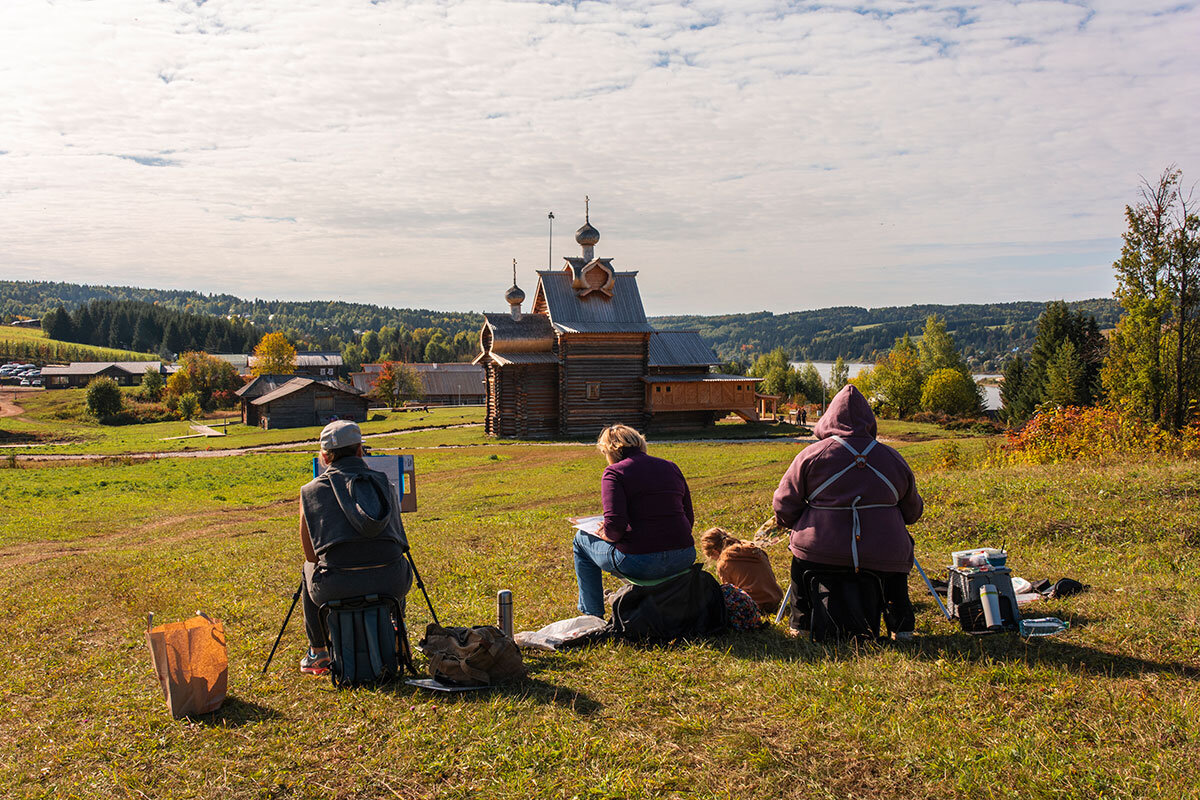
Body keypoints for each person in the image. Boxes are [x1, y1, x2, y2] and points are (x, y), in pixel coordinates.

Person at [772, 384, 923, 638]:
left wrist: (796, 524)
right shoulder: (892, 457)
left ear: (829, 417)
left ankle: (801, 624)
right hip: (883, 550)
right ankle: (901, 627)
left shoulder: (811, 455)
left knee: (800, 557)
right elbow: (912, 512)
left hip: (820, 549)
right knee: (895, 561)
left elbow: (784, 504)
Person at [297, 420, 412, 675]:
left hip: (336, 585)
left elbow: (310, 554)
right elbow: (398, 540)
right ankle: (397, 632)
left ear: (325, 457)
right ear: (360, 451)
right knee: (394, 561)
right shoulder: (385, 483)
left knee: (307, 567)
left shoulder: (310, 491)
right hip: (391, 583)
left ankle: (318, 651)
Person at [572, 424, 697, 618]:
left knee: (581, 539)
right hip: (684, 556)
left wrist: (605, 533)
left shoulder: (614, 473)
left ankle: (592, 614)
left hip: (642, 562)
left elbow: (615, 527)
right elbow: (688, 518)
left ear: (609, 450)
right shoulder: (671, 467)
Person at [699, 527, 783, 613]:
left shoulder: (724, 562)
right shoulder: (753, 547)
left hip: (752, 605)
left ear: (715, 551)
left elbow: (730, 592)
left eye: (712, 557)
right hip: (775, 598)